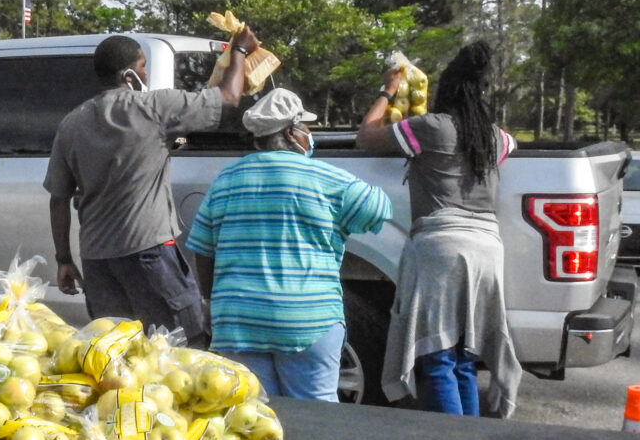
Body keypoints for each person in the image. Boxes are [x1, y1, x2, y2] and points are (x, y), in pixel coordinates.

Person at [44, 28, 259, 345]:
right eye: (143, 66)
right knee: (181, 345)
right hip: (150, 255)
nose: (146, 73)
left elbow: (58, 199)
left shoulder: (71, 124)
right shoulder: (154, 108)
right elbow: (228, 98)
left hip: (97, 262)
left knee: (116, 353)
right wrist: (239, 51)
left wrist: (64, 259)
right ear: (129, 74)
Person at [185, 88, 392, 401]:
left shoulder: (225, 181)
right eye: (306, 128)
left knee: (253, 418)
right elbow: (379, 210)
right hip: (308, 319)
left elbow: (204, 250)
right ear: (293, 134)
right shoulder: (328, 179)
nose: (310, 135)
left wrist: (212, 303)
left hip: (240, 322)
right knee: (316, 419)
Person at [355, 41, 522, 417]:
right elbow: (511, 139)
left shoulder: (430, 127)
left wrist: (388, 91)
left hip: (442, 250)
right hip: (487, 252)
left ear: (443, 92)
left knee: (435, 359)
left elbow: (366, 136)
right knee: (462, 358)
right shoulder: (495, 137)